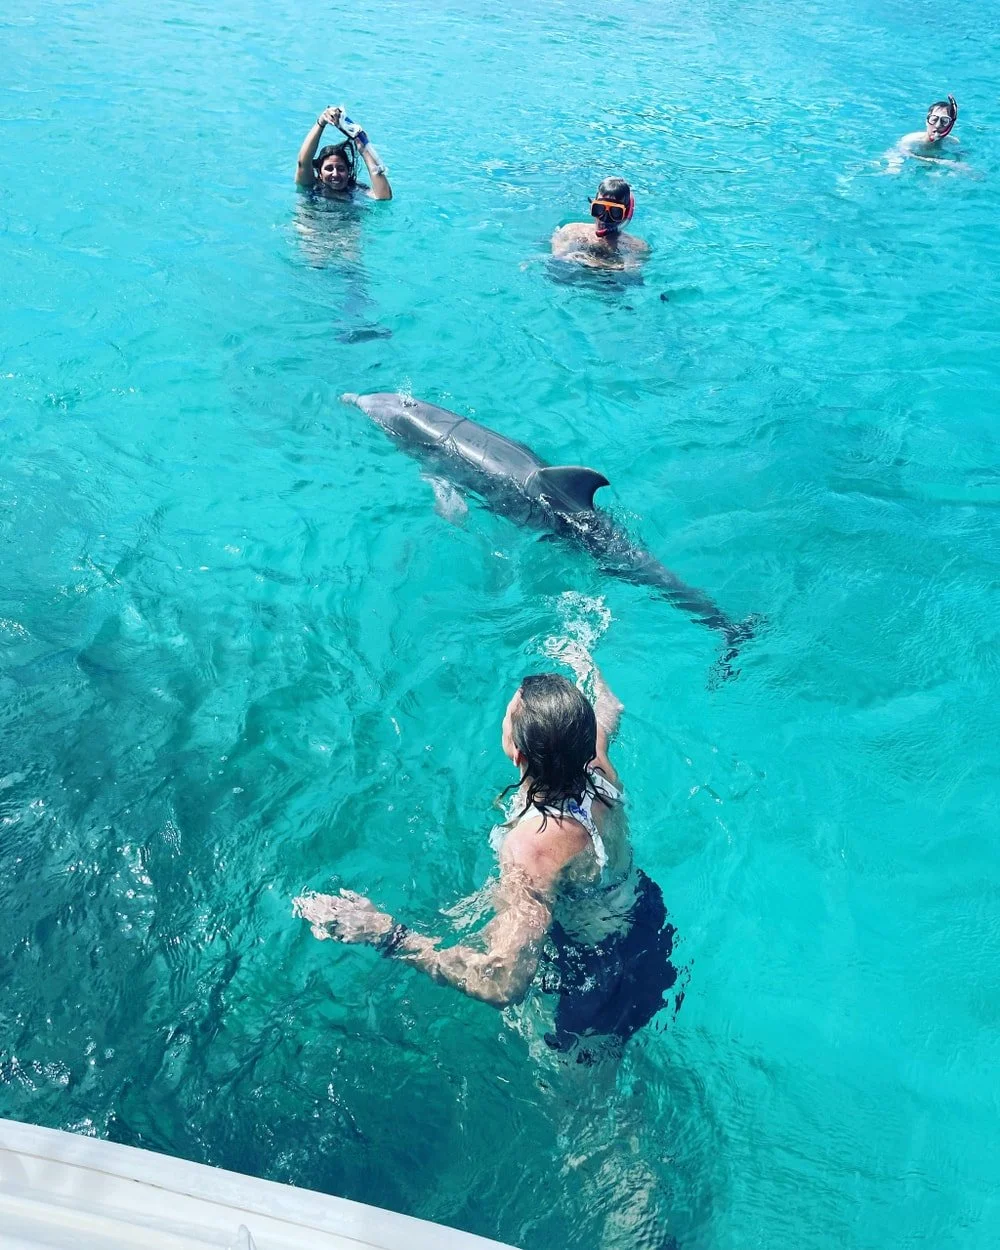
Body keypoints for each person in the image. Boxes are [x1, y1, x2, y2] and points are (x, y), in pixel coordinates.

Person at [294, 649, 678, 1062]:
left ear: (518, 754)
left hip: (594, 975)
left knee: (583, 1099)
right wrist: (584, 662)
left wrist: (387, 934)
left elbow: (504, 985)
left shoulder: (530, 847)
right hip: (647, 923)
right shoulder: (597, 767)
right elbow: (610, 707)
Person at [295, 105, 392, 201]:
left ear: (348, 171)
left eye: (341, 169)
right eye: (329, 169)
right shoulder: (311, 187)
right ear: (320, 173)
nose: (335, 174)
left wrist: (365, 151)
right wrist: (321, 123)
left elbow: (383, 196)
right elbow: (303, 163)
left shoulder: (355, 189)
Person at [550, 177, 649, 271]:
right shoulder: (571, 231)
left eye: (615, 212)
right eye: (599, 209)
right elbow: (558, 262)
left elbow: (630, 274)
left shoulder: (635, 246)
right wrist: (609, 266)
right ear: (591, 207)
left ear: (625, 214)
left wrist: (583, 259)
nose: (605, 218)